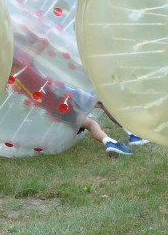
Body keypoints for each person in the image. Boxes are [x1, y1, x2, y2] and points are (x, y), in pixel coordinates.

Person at [8, 51, 137, 157]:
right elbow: (38, 44)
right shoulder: (23, 58)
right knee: (100, 102)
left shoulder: (11, 77)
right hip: (61, 92)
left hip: (54, 108)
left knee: (88, 124)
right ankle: (133, 135)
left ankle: (109, 142)